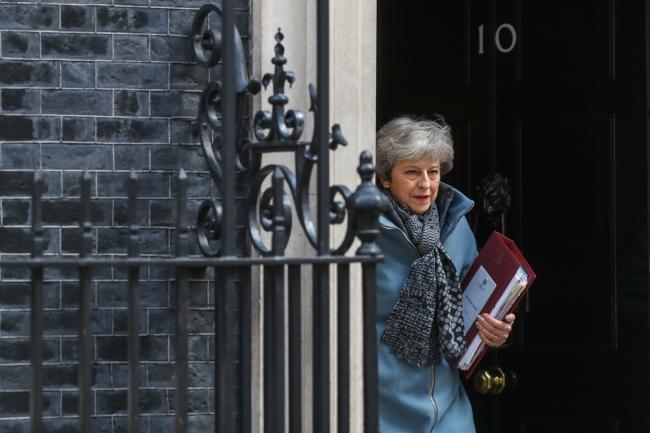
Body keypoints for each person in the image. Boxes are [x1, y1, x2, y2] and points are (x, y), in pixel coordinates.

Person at [375, 116, 516, 433]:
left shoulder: (455, 225)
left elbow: (473, 306)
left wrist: (496, 332)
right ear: (386, 177)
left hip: (450, 415)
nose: (425, 183)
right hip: (383, 414)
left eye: (433, 171)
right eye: (412, 172)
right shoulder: (365, 233)